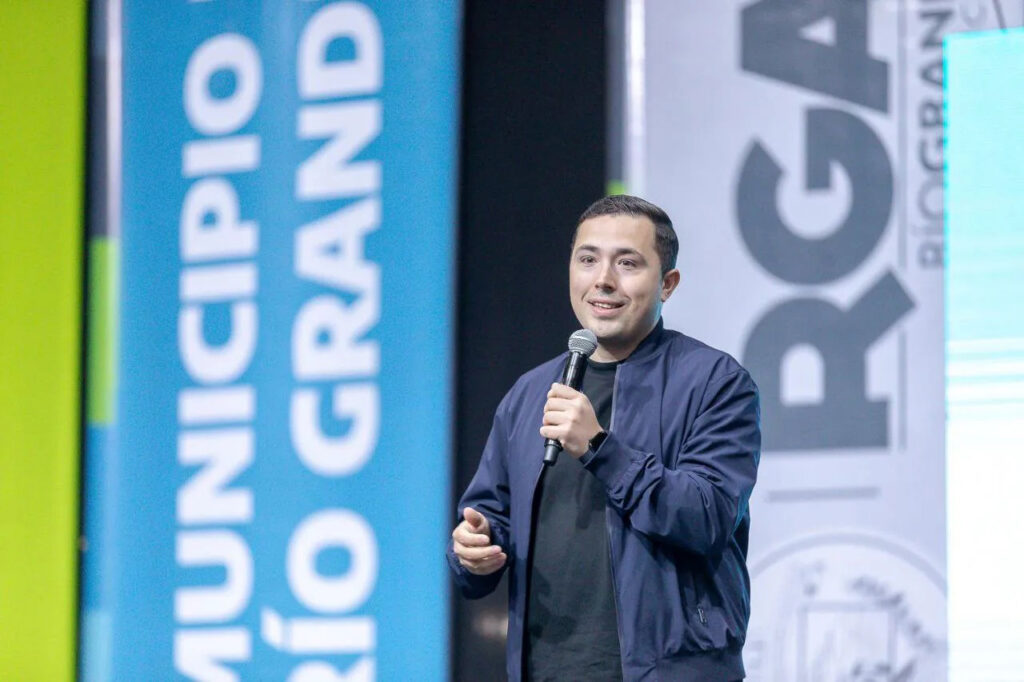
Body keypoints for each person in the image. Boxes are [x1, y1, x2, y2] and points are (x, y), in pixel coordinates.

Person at [447, 195, 760, 682]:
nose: (603, 280)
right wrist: (474, 550)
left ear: (668, 283)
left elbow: (706, 516)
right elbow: (491, 515)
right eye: (588, 259)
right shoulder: (529, 393)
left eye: (627, 263)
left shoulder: (714, 382)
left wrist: (599, 447)